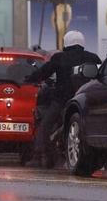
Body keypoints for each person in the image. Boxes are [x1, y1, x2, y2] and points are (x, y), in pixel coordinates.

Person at [25, 30, 101, 166]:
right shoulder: (93, 58)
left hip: (62, 100)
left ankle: (38, 156)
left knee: (45, 127)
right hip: (86, 101)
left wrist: (29, 78)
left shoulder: (60, 57)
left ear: (66, 42)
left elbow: (44, 72)